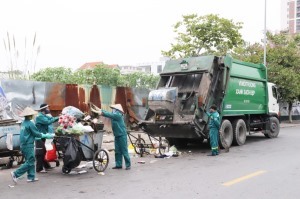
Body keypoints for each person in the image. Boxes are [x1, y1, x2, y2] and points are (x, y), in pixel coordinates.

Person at [10, 107, 54, 183]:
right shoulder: (30, 123)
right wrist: (47, 135)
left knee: (29, 160)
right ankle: (16, 173)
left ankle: (31, 176)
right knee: (30, 161)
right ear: (30, 115)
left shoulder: (24, 123)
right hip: (28, 144)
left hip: (24, 144)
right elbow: (37, 134)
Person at [93, 104, 131, 170]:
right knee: (117, 151)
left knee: (124, 150)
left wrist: (101, 112)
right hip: (117, 135)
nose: (113, 110)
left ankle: (128, 165)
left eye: (114, 109)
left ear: (118, 110)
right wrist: (99, 110)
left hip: (122, 135)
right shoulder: (115, 115)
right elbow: (108, 113)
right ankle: (118, 165)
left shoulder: (118, 115)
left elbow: (109, 115)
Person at [35, 103, 59, 173]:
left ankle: (46, 166)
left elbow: (51, 118)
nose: (48, 109)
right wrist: (58, 118)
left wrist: (58, 117)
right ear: (44, 109)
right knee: (40, 153)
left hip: (44, 136)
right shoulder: (39, 117)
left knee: (44, 151)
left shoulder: (44, 115)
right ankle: (39, 168)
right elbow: (48, 122)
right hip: (39, 137)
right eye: (47, 108)